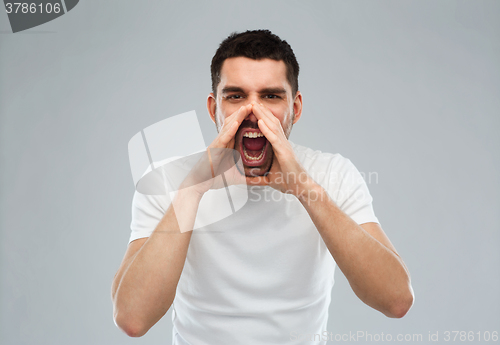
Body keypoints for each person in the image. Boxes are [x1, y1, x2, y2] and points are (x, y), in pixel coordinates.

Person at [111, 30, 414, 344]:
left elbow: (395, 300)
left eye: (270, 96)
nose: (253, 113)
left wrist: (304, 188)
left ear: (295, 108)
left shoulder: (332, 173)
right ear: (213, 107)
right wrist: (193, 189)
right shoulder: (167, 179)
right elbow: (133, 318)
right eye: (236, 97)